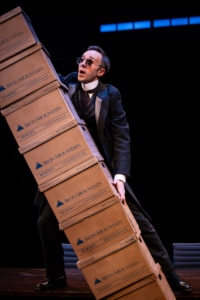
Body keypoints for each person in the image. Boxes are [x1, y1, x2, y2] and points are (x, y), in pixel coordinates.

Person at [34, 45, 192, 294]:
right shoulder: (67, 87)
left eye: (89, 62)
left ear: (101, 71)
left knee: (142, 223)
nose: (82, 64)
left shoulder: (111, 95)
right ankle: (56, 277)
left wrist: (119, 177)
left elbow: (121, 137)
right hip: (68, 171)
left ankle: (171, 277)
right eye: (81, 59)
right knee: (45, 221)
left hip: (103, 170)